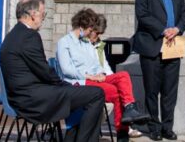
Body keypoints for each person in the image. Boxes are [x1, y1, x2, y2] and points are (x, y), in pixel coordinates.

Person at [0, 0, 105, 142]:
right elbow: (45, 72)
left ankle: (71, 138)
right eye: (43, 14)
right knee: (96, 94)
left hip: (20, 98)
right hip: (34, 101)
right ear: (33, 15)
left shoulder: (11, 36)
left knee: (81, 96)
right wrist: (66, 85)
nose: (43, 18)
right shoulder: (30, 36)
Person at [56, 9, 149, 139]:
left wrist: (100, 73)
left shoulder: (86, 43)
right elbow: (67, 70)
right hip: (79, 82)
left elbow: (95, 64)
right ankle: (123, 134)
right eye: (90, 30)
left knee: (123, 75)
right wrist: (90, 76)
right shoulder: (64, 42)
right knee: (116, 93)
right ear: (82, 27)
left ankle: (129, 107)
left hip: (94, 79)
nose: (91, 34)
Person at [133, 0, 185, 141]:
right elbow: (142, 15)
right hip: (152, 47)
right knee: (152, 90)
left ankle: (167, 127)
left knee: (169, 91)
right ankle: (154, 128)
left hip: (173, 47)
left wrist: (177, 29)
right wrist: (163, 29)